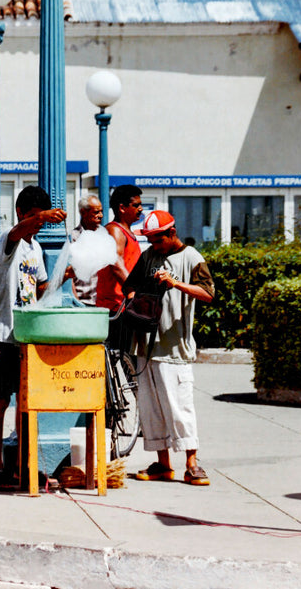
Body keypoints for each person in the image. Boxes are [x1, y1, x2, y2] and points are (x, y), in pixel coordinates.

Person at [0, 185, 67, 492]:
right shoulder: (9, 239)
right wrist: (37, 217)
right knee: (0, 400)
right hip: (3, 334)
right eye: (34, 217)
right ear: (21, 213)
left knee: (26, 403)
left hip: (27, 336)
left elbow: (40, 287)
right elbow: (18, 231)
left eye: (41, 220)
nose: (39, 224)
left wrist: (62, 277)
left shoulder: (36, 248)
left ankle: (22, 465)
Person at [122, 210, 215, 486]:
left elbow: (208, 293)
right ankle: (162, 464)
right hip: (146, 345)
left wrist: (176, 284)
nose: (154, 245)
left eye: (158, 239)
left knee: (179, 406)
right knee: (151, 407)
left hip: (175, 348)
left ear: (171, 234)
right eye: (149, 240)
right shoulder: (149, 256)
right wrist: (136, 302)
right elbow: (130, 286)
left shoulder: (192, 258)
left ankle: (192, 463)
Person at [96, 184, 143, 352]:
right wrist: (137, 291)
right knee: (120, 360)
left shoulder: (128, 233)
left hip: (125, 305)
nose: (140, 209)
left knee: (127, 362)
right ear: (122, 208)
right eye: (136, 205)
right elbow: (115, 265)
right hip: (115, 308)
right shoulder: (115, 231)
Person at [70, 194, 103, 306]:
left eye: (101, 211)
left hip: (102, 302)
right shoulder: (74, 238)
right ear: (83, 212)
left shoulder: (104, 236)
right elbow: (68, 274)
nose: (101, 215)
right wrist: (77, 302)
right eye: (96, 212)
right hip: (82, 302)